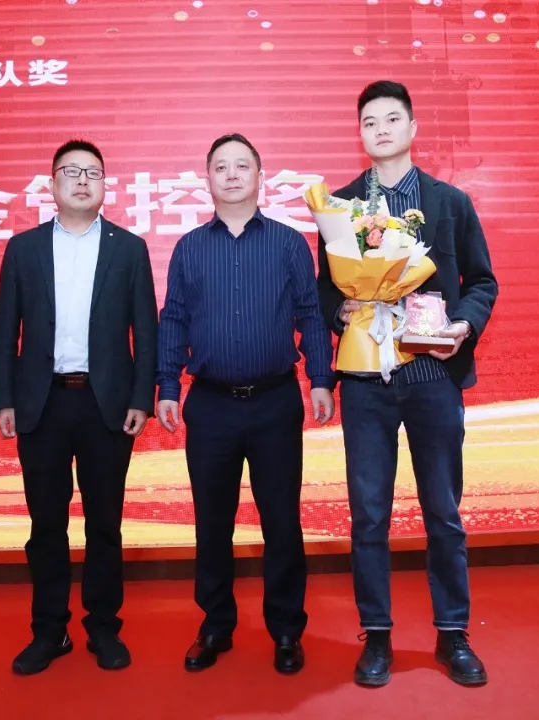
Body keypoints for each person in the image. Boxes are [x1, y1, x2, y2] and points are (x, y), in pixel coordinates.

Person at [317, 81, 498, 688]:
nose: (382, 129)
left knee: (442, 510)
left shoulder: (449, 203)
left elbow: (482, 281)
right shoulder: (341, 208)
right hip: (366, 381)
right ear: (360, 133)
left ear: (413, 128)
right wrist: (338, 310)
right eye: (370, 121)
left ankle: (453, 633)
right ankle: (377, 636)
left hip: (432, 375)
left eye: (392, 119)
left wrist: (462, 324)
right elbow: (324, 290)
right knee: (369, 514)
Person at [156, 133, 335, 675]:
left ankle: (287, 630)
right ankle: (215, 626)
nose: (231, 175)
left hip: (275, 402)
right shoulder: (190, 247)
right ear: (207, 180)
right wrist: (168, 386)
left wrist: (321, 378)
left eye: (242, 166)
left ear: (260, 176)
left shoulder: (288, 243)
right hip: (210, 406)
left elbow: (310, 314)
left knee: (281, 521)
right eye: (221, 167)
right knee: (212, 523)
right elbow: (174, 319)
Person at [0, 139, 158, 675]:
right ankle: (50, 631)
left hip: (106, 405)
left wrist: (142, 398)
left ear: (106, 185)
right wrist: (4, 398)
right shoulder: (24, 249)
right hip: (41, 404)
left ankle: (104, 628)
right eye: (72, 172)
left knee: (105, 524)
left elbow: (146, 332)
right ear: (53, 184)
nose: (83, 181)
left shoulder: (129, 249)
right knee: (46, 525)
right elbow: (5, 331)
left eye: (93, 173)